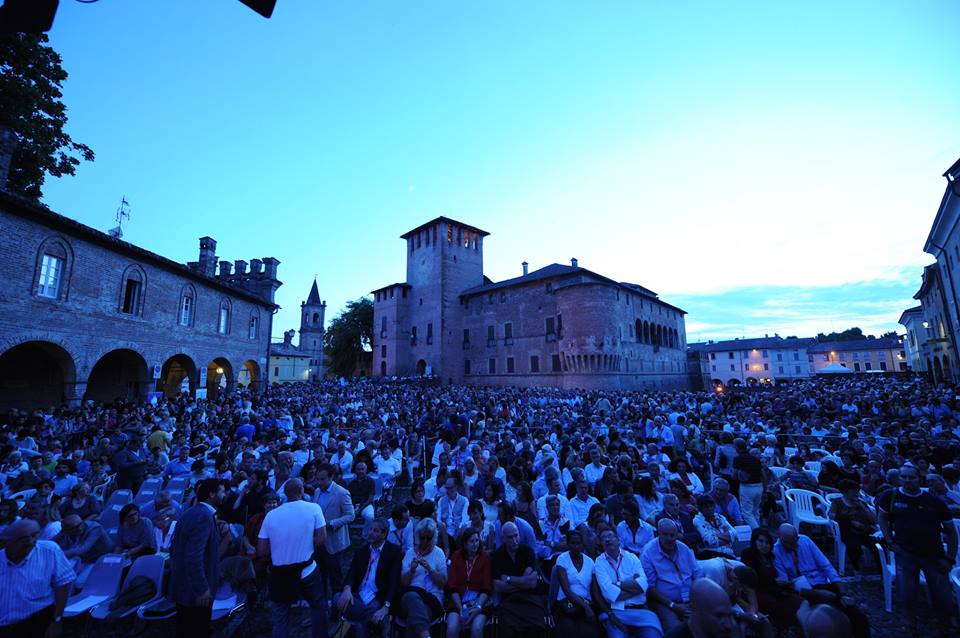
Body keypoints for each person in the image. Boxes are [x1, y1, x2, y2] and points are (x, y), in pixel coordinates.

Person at [877, 463, 957, 618]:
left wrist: (950, 559)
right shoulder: (890, 496)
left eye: (912, 477)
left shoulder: (934, 502)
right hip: (905, 553)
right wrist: (889, 541)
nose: (907, 480)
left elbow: (951, 531)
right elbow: (882, 517)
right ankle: (911, 625)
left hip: (933, 554)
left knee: (943, 596)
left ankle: (947, 624)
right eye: (904, 477)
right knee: (906, 596)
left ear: (920, 479)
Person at [257, 478, 328, 638]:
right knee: (318, 606)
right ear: (301, 491)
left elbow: (261, 550)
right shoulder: (314, 508)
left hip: (280, 572)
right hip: (307, 570)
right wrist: (305, 545)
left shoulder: (271, 515)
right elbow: (321, 539)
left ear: (285, 494)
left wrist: (280, 549)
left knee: (280, 615)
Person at [772, 524, 869, 638]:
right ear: (780, 539)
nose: (792, 546)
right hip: (805, 592)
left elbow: (826, 566)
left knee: (858, 616)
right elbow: (788, 585)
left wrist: (842, 593)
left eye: (794, 542)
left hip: (822, 584)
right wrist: (819, 593)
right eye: (787, 543)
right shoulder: (776, 551)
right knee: (830, 619)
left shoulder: (805, 541)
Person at [0, 518, 76, 637]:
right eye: (23, 539)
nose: (31, 542)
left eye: (35, 535)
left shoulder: (49, 550)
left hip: (37, 620)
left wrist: (57, 620)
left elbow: (63, 584)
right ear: (7, 542)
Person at [169, 478, 224, 638]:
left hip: (186, 588)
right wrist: (202, 588)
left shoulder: (190, 513)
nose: (224, 495)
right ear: (212, 494)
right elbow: (193, 556)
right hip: (195, 593)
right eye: (222, 491)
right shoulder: (203, 517)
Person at [336, 518, 402, 638]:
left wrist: (386, 607)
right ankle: (375, 620)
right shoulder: (362, 551)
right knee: (338, 598)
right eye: (370, 529)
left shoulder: (394, 552)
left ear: (384, 534)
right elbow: (352, 573)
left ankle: (369, 622)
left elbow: (394, 582)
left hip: (376, 596)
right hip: (358, 594)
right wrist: (347, 589)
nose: (370, 533)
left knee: (360, 622)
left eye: (375, 530)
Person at [594, 527, 662, 638]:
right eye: (603, 538)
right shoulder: (599, 562)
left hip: (641, 611)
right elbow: (610, 595)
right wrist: (635, 587)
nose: (607, 539)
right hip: (617, 612)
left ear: (618, 540)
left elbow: (644, 585)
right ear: (601, 543)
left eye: (610, 536)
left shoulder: (632, 558)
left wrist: (617, 584)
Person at [641, 519, 703, 633]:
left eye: (672, 535)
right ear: (658, 534)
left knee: (704, 624)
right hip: (666, 602)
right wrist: (673, 605)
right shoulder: (648, 553)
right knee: (676, 630)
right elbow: (650, 588)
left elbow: (698, 574)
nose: (669, 538)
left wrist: (696, 598)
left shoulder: (684, 548)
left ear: (677, 534)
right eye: (665, 534)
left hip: (691, 599)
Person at [739, 528, 803, 631]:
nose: (764, 545)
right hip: (757, 593)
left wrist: (778, 582)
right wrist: (774, 582)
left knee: (798, 600)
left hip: (773, 589)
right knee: (783, 606)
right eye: (760, 541)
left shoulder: (769, 556)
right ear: (754, 541)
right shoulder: (748, 554)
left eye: (767, 542)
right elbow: (752, 580)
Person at [491, 521, 547, 638]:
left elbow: (532, 583)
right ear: (503, 538)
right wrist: (523, 582)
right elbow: (498, 586)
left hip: (531, 598)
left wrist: (508, 579)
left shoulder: (527, 551)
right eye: (510, 537)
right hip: (509, 602)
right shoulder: (497, 556)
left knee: (537, 627)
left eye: (516, 535)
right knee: (507, 629)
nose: (514, 540)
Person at [399, 517, 448, 638]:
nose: (425, 541)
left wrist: (430, 570)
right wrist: (412, 570)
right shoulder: (410, 553)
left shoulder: (439, 553)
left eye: (429, 538)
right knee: (412, 598)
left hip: (432, 598)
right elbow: (403, 583)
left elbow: (443, 583)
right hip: (411, 596)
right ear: (417, 536)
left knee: (415, 618)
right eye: (422, 537)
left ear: (434, 538)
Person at [315, 463, 355, 597]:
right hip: (319, 540)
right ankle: (323, 600)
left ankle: (337, 603)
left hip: (334, 541)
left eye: (322, 479)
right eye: (318, 479)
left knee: (335, 575)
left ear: (331, 477)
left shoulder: (342, 493)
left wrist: (331, 523)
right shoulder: (317, 491)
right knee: (321, 573)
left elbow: (350, 515)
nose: (319, 482)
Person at [446, 527, 492, 638]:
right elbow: (452, 586)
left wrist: (478, 606)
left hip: (479, 602)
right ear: (465, 544)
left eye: (477, 540)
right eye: (471, 541)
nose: (475, 544)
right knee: (452, 628)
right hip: (458, 601)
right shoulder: (456, 556)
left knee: (476, 628)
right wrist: (461, 610)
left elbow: (487, 587)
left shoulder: (485, 557)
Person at [828, 479, 876, 572]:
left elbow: (874, 520)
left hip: (866, 530)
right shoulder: (837, 502)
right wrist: (851, 522)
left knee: (877, 543)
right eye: (853, 491)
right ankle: (856, 567)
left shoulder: (861, 503)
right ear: (845, 492)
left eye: (857, 491)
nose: (856, 494)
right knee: (853, 545)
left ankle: (883, 568)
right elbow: (832, 516)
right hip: (848, 531)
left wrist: (863, 507)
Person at [663, 577, 735, 638]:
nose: (728, 625)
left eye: (730, 615)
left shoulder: (727, 631)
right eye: (719, 616)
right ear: (694, 609)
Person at [732, 439, 764, 529]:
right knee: (755, 511)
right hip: (759, 486)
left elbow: (734, 476)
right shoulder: (755, 459)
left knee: (747, 514)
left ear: (736, 447)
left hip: (747, 487)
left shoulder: (738, 458)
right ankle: (758, 530)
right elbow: (763, 474)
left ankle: (758, 532)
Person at [350, 461, 377, 526]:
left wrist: (359, 509)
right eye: (358, 469)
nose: (360, 471)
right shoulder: (352, 483)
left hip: (366, 505)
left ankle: (366, 532)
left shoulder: (371, 481)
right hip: (354, 505)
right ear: (355, 471)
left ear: (366, 470)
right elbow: (349, 497)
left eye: (362, 469)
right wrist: (352, 508)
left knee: (370, 517)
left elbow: (370, 499)